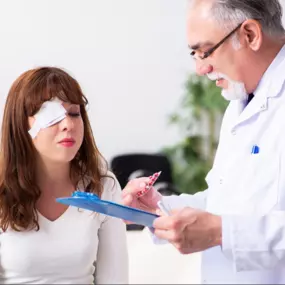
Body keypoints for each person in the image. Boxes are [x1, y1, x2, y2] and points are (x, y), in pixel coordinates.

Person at [122, 0, 285, 283]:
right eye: (194, 54)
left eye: (205, 51)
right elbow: (223, 201)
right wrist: (158, 209)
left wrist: (222, 232)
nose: (201, 69)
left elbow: (224, 224)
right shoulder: (240, 103)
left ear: (250, 35)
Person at [0, 66, 128, 284]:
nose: (68, 125)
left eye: (74, 113)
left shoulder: (104, 186)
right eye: (52, 115)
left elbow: (115, 279)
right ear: (22, 124)